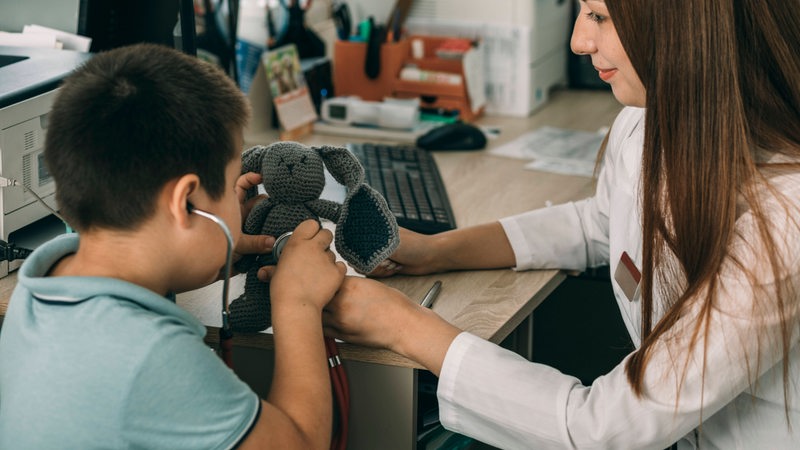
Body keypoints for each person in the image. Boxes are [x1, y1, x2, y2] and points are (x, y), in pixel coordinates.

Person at [321, 0, 800, 448]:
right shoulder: (645, 123)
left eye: (598, 15)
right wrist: (438, 250)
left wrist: (405, 326)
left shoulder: (785, 222)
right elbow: (598, 223)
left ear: (680, 26)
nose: (578, 41)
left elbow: (602, 429)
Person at [0, 43, 345, 449]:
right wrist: (298, 303)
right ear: (185, 203)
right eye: (234, 180)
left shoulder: (38, 287)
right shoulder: (153, 356)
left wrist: (208, 251)